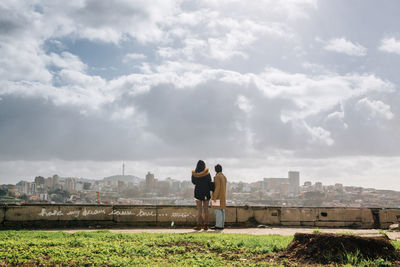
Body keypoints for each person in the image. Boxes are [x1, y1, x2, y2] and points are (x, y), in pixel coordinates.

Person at [191, 160, 212, 230]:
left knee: (199, 210)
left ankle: (198, 225)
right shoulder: (207, 173)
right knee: (206, 210)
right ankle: (206, 225)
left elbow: (193, 182)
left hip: (198, 192)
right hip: (206, 192)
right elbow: (210, 181)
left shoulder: (194, 174)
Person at [211, 164, 227, 230]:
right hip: (223, 196)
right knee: (222, 211)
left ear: (215, 170)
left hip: (218, 196)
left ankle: (218, 226)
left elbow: (217, 187)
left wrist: (214, 197)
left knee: (217, 211)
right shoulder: (224, 177)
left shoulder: (217, 177)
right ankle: (222, 225)